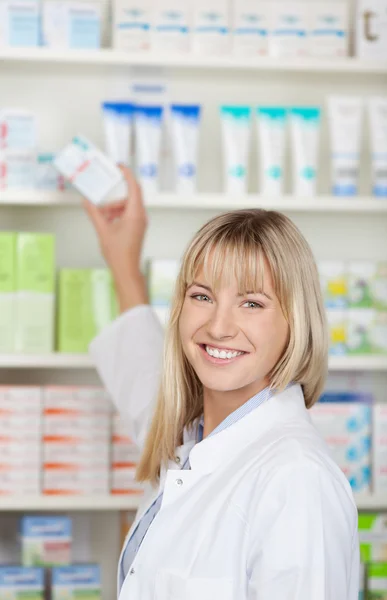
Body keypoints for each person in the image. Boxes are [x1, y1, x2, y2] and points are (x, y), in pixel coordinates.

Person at [85, 167, 360, 600]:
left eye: (252, 302)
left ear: (296, 321)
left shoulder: (296, 481)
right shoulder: (189, 440)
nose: (218, 326)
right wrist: (123, 257)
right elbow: (144, 379)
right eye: (202, 296)